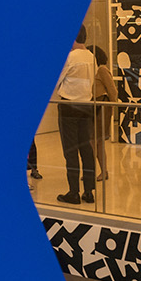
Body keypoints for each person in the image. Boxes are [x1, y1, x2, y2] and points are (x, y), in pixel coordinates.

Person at [53, 26, 97, 205]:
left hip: (69, 106)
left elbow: (57, 79)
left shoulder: (70, 57)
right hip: (86, 105)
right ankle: (88, 191)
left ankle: (73, 192)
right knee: (86, 148)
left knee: (70, 150)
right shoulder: (91, 56)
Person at [91, 44, 118, 183]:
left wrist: (111, 110)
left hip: (102, 108)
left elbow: (113, 91)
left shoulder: (102, 69)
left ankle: (102, 171)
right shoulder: (94, 70)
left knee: (96, 141)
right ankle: (97, 170)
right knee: (94, 141)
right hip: (95, 108)